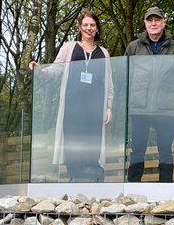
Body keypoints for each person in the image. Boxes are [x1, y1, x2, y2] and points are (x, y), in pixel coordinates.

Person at [29, 10, 113, 182]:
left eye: (92, 25)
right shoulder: (69, 47)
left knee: (93, 140)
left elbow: (109, 83)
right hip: (72, 106)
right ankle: (75, 178)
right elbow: (56, 69)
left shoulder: (103, 53)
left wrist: (109, 107)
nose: (89, 28)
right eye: (86, 25)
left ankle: (93, 179)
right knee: (73, 139)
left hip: (95, 107)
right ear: (80, 27)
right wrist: (41, 71)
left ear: (97, 29)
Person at [124, 6, 174, 182]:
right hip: (139, 109)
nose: (153, 23)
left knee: (165, 150)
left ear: (164, 22)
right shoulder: (133, 47)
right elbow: (126, 77)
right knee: (137, 149)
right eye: (150, 20)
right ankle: (132, 189)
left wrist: (170, 96)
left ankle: (165, 190)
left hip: (165, 110)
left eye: (157, 20)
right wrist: (133, 98)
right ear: (145, 23)